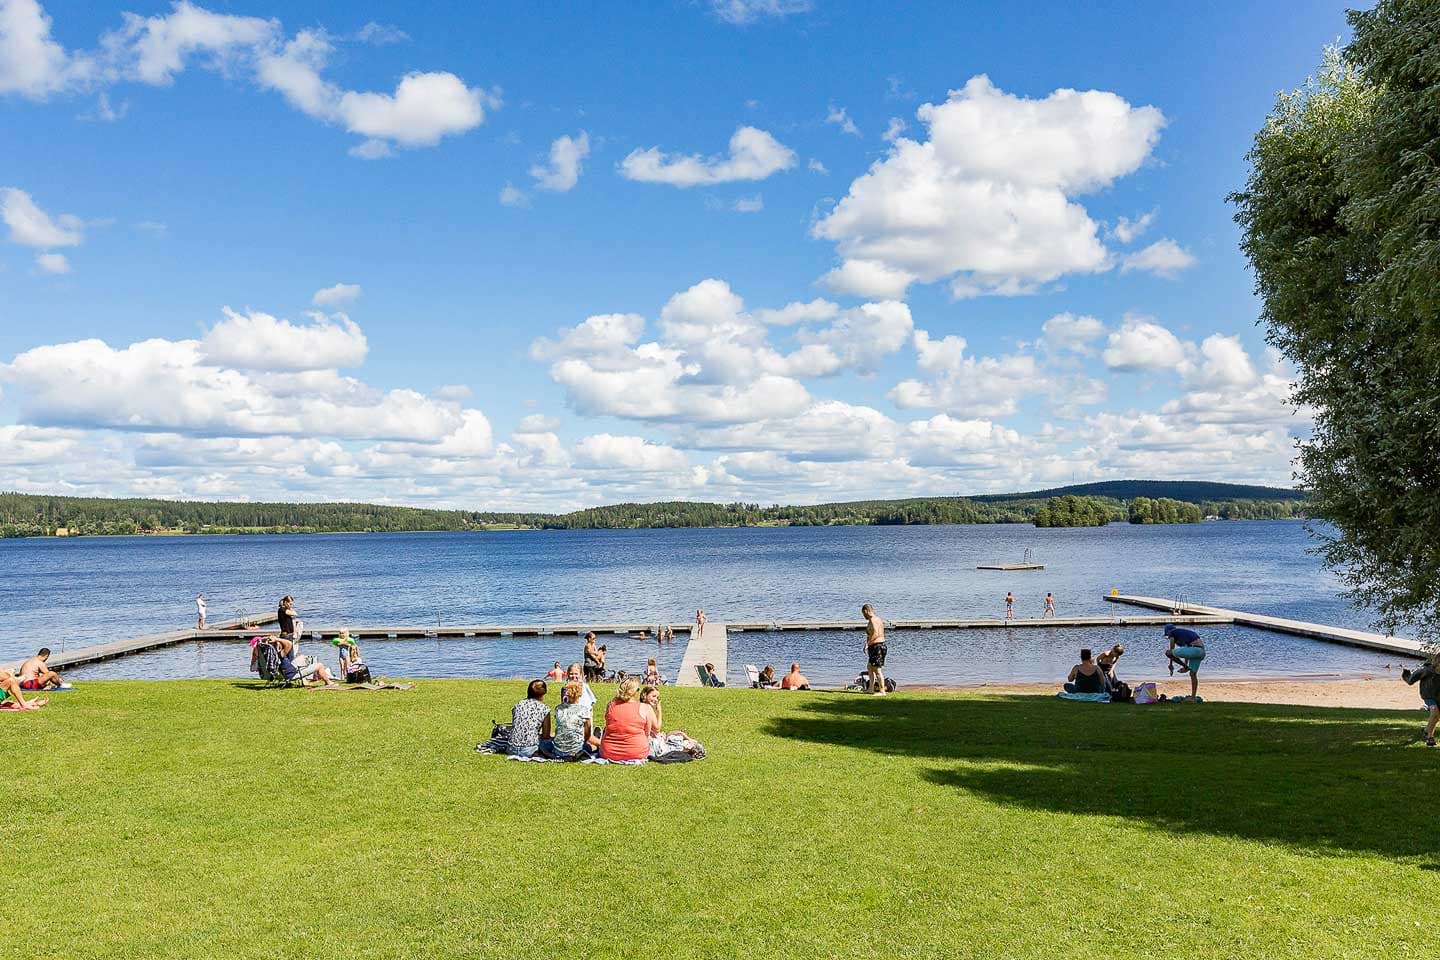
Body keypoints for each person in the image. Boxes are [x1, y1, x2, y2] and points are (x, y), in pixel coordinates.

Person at [600, 678, 660, 762]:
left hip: (608, 752)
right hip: (637, 752)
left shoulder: (611, 705)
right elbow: (647, 734)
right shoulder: (645, 708)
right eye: (638, 689)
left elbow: (608, 727)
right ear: (634, 692)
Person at [543, 681, 600, 759]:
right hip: (576, 750)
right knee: (593, 747)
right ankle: (598, 741)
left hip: (558, 750)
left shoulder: (558, 708)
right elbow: (587, 734)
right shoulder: (583, 710)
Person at [507, 679, 552, 758]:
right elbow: (546, 736)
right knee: (551, 742)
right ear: (543, 694)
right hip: (530, 750)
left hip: (511, 748)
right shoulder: (544, 709)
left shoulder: (518, 705)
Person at [1402, 655, 1440, 747]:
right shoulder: (1426, 671)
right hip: (1429, 696)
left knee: (1436, 717)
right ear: (1437, 663)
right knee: (1435, 713)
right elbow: (1410, 680)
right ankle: (1429, 737)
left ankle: (1426, 730)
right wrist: (1406, 674)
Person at [1163, 624, 1206, 698]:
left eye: (1167, 636)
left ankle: (1186, 667)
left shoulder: (1172, 632)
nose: (1168, 637)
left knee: (1168, 652)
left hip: (1194, 650)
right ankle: (1193, 698)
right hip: (1201, 652)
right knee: (1193, 674)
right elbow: (1187, 652)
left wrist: (1171, 664)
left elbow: (1171, 648)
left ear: (1168, 631)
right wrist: (1186, 664)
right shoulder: (1184, 634)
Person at [862, 603, 887, 695]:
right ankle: (870, 688)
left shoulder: (873, 620)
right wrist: (867, 643)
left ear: (866, 611)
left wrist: (868, 644)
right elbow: (870, 634)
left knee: (877, 669)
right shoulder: (877, 619)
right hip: (875, 646)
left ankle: (882, 691)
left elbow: (876, 633)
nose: (863, 616)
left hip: (878, 646)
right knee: (869, 667)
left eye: (863, 614)